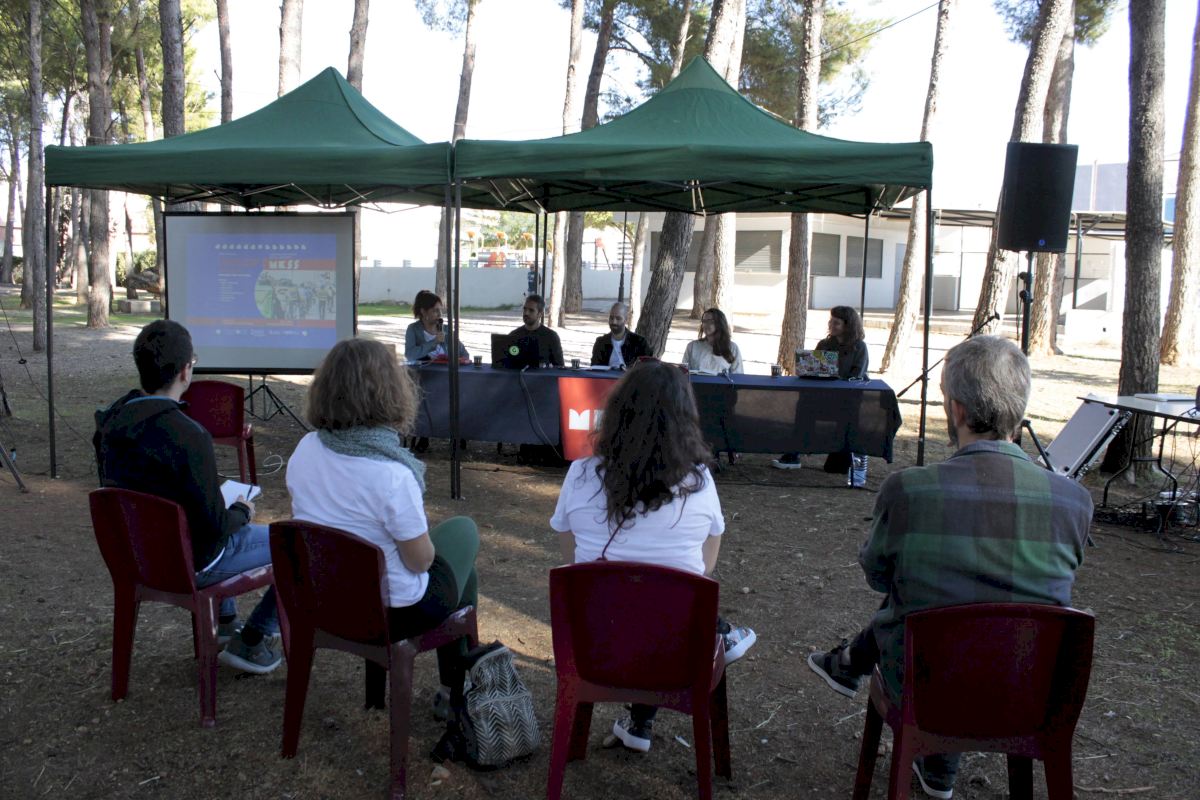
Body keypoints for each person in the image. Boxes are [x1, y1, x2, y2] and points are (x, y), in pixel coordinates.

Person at [804, 336, 1093, 800]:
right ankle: (938, 764)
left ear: (956, 410)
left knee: (920, 601)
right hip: (1030, 688)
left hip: (929, 685)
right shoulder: (1075, 501)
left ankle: (922, 740)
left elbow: (878, 577)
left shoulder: (909, 490)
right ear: (1019, 408)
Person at [550, 359, 757, 754]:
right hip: (674, 655)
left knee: (639, 601)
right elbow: (703, 567)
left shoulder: (580, 474)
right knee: (665, 601)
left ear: (615, 412)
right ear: (685, 420)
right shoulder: (699, 482)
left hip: (594, 647)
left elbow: (571, 560)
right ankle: (720, 634)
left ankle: (639, 720)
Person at [286, 337, 480, 711]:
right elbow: (420, 562)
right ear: (390, 392)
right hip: (392, 610)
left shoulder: (306, 448)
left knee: (463, 573)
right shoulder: (391, 473)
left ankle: (446, 690)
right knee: (464, 531)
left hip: (323, 597)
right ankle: (453, 691)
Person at [93, 320, 281, 674]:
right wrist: (241, 510)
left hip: (136, 556)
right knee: (290, 543)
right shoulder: (189, 436)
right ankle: (254, 638)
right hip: (189, 561)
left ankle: (226, 623)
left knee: (213, 521)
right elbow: (215, 527)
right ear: (184, 371)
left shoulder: (110, 423)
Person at [772, 305, 869, 480]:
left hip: (847, 401)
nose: (831, 325)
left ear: (848, 325)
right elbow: (814, 370)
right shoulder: (825, 344)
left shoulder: (859, 347)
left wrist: (836, 378)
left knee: (834, 468)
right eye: (831, 321)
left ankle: (842, 456)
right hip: (823, 397)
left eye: (836, 322)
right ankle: (793, 455)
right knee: (803, 407)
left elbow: (857, 377)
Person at [405, 289, 470, 362]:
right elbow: (410, 355)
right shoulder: (413, 329)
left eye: (440, 310)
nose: (440, 314)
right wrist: (434, 342)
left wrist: (459, 360)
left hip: (445, 369)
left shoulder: (446, 329)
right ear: (423, 311)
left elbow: (464, 354)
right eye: (435, 311)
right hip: (423, 369)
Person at [510, 293, 564, 367]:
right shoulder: (514, 335)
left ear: (540, 314)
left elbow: (560, 367)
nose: (526, 313)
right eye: (525, 309)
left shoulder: (551, 337)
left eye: (531, 310)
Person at [590, 302, 650, 368]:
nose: (614, 322)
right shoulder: (601, 342)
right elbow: (594, 368)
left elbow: (647, 368)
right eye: (611, 318)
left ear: (626, 320)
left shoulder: (639, 342)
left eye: (618, 318)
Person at [683, 308, 742, 374]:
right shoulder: (692, 346)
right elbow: (683, 373)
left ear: (720, 323)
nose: (706, 324)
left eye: (710, 321)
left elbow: (738, 375)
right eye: (704, 321)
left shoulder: (732, 348)